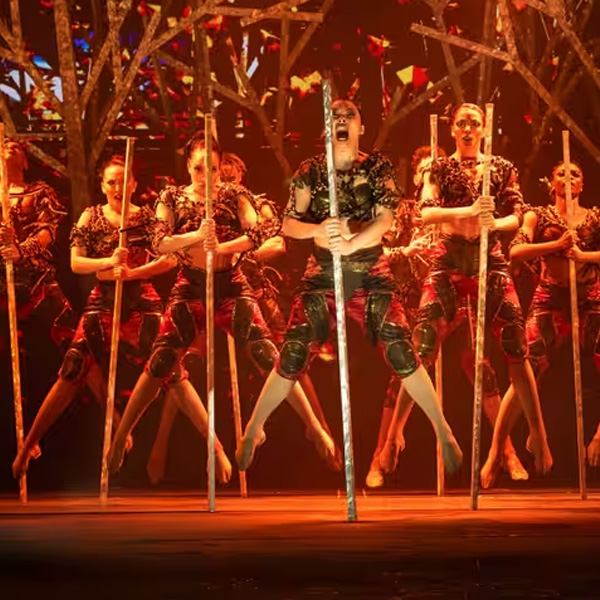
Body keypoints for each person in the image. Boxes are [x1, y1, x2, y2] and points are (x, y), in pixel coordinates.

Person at [235, 99, 463, 475]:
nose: (342, 124)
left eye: (349, 119)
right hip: (323, 272)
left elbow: (385, 220)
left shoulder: (377, 170)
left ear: (360, 128)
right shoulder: (311, 171)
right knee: (293, 353)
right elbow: (290, 224)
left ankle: (443, 430)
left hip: (369, 271)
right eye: (335, 119)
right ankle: (254, 428)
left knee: (402, 353)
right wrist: (317, 229)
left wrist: (354, 242)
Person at [108, 135, 337, 482]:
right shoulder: (172, 197)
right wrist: (196, 237)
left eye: (212, 169)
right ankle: (121, 436)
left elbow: (258, 233)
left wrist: (223, 246)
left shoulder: (234, 195)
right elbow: (160, 242)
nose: (206, 176)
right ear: (188, 166)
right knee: (161, 362)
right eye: (199, 169)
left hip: (230, 284)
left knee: (270, 357)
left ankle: (311, 427)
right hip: (191, 286)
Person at [394, 103, 552, 486]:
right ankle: (397, 433)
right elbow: (426, 212)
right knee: (422, 346)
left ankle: (538, 434)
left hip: (487, 257)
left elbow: (517, 214)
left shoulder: (500, 167)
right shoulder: (438, 167)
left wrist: (493, 220)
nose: (468, 129)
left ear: (484, 129)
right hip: (448, 257)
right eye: (462, 123)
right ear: (452, 129)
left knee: (516, 347)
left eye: (475, 123)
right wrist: (467, 210)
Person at [367, 145, 527, 488]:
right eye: (423, 169)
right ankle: (382, 451)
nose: (430, 174)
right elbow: (375, 250)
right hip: (416, 296)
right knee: (403, 373)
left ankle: (506, 451)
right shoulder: (403, 211)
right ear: (417, 176)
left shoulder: (455, 198)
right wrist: (405, 251)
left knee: (479, 364)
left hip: (455, 290)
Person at [12, 155, 173, 476]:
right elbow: (76, 263)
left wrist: (135, 271)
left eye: (123, 181)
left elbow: (169, 260)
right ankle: (29, 444)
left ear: (133, 185)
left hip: (142, 301)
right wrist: (108, 263)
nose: (117, 187)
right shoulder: (91, 215)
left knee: (171, 368)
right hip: (103, 300)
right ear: (102, 185)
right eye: (111, 181)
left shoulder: (147, 217)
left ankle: (208, 448)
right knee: (72, 369)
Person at [482, 160, 600, 484]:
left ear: (582, 184)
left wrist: (583, 256)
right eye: (561, 173)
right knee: (525, 367)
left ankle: (598, 435)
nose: (568, 178)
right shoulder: (537, 214)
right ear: (552, 182)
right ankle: (496, 451)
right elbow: (516, 251)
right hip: (550, 297)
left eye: (575, 174)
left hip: (590, 296)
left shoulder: (594, 217)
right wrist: (556, 246)